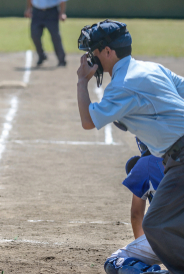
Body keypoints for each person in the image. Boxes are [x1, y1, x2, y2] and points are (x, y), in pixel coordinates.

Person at [76, 19, 184, 274]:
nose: (90, 58)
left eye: (93, 52)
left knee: (156, 224)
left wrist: (82, 81)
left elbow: (88, 121)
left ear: (108, 52)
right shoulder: (151, 68)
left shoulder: (122, 84)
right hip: (175, 158)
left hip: (181, 158)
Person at [104, 138, 168, 274]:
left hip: (167, 236)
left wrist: (143, 247)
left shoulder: (146, 163)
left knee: (114, 261)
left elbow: (136, 214)